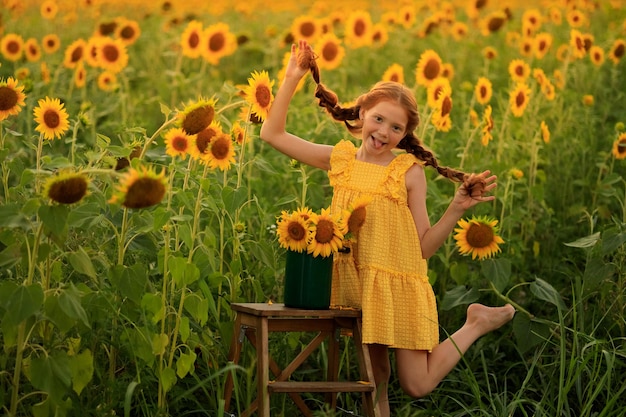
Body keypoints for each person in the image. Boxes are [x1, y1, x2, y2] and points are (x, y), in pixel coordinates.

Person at [260, 40, 515, 417]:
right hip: (359, 283)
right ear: (362, 113)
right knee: (375, 376)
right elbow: (273, 135)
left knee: (417, 384)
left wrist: (456, 208)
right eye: (378, 119)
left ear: (405, 135)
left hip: (400, 285)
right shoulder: (341, 160)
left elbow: (423, 248)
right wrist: (291, 78)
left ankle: (475, 322)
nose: (383, 132)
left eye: (396, 128)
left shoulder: (407, 173)